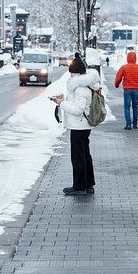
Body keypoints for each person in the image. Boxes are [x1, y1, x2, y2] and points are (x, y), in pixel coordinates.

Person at [52, 53, 100, 196]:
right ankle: (88, 184)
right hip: (82, 125)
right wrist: (63, 100)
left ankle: (79, 186)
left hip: (79, 125)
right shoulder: (84, 86)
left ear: (77, 73)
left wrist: (62, 103)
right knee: (85, 155)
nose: (70, 76)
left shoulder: (81, 89)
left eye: (72, 73)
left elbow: (78, 110)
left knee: (78, 156)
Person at [114, 51, 138, 130]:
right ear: (135, 58)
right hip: (136, 90)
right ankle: (135, 124)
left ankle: (128, 124)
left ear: (127, 58)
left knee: (127, 107)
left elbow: (118, 78)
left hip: (127, 90)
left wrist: (117, 84)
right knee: (135, 107)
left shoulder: (124, 67)